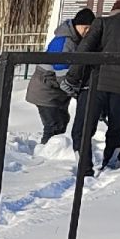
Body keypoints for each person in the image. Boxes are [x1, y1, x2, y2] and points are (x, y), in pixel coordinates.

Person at [70, 0, 120, 176]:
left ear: (112, 11)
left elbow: (84, 50)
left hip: (95, 85)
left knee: (82, 130)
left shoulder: (101, 23)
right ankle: (110, 167)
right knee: (115, 130)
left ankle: (84, 170)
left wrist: (73, 77)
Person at [25, 7, 96, 144]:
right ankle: (45, 155)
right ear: (76, 25)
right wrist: (78, 94)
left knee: (61, 123)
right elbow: (63, 76)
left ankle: (52, 153)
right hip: (46, 92)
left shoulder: (76, 41)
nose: (87, 32)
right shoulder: (64, 43)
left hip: (56, 93)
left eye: (90, 29)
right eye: (85, 28)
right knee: (53, 126)